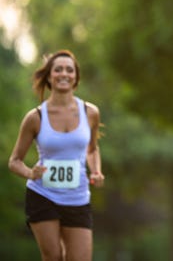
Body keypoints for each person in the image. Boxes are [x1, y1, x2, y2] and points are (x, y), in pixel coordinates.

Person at [8, 49, 105, 261]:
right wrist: (30, 173)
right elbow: (14, 161)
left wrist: (96, 170)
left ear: (76, 77)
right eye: (58, 69)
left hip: (78, 197)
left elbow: (91, 148)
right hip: (43, 195)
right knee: (54, 257)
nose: (64, 74)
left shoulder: (90, 113)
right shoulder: (35, 117)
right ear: (49, 77)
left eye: (69, 70)